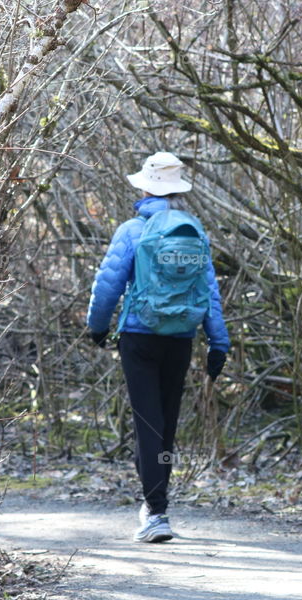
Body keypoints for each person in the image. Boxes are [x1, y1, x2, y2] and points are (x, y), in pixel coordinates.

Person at [86, 151, 230, 543]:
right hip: (181, 338)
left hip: (139, 337)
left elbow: (108, 285)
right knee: (164, 424)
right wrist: (219, 342)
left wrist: (97, 328)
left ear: (146, 187)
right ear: (178, 191)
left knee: (147, 424)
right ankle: (156, 506)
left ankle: (156, 512)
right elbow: (209, 291)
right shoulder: (195, 231)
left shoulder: (133, 230)